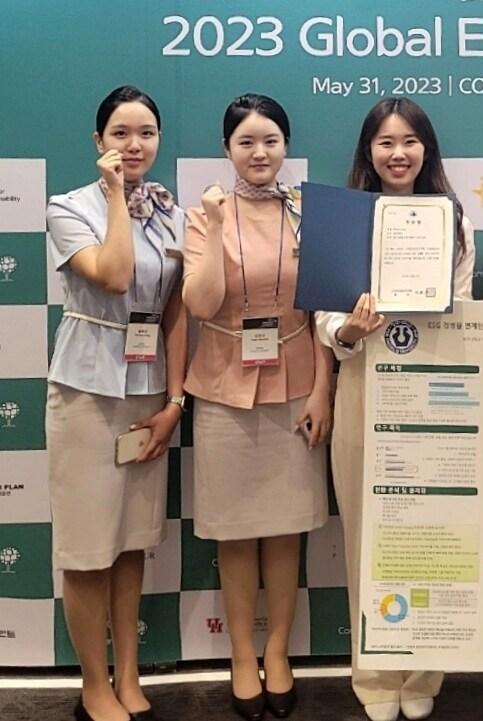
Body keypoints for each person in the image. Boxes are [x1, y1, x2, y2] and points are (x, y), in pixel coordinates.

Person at [313, 97, 476, 721]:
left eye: (409, 141)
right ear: (368, 151)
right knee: (368, 537)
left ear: (426, 149)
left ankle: (424, 670)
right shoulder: (343, 220)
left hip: (435, 391)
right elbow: (325, 318)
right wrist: (350, 331)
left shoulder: (454, 222)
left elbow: (460, 310)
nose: (398, 153)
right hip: (365, 386)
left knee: (430, 538)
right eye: (385, 142)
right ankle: (376, 676)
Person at [182, 94, 332, 721]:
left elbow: (323, 305)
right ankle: (242, 654)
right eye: (246, 141)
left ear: (286, 146)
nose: (259, 152)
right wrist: (219, 226)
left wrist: (322, 388)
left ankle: (278, 651)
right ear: (227, 149)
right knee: (236, 532)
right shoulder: (202, 216)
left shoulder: (307, 213)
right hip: (224, 386)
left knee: (287, 528)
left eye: (270, 140)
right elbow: (199, 304)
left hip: (297, 385)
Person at [46, 85, 187, 721]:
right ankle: (94, 685)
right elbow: (115, 274)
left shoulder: (170, 212)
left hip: (147, 391)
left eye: (146, 133)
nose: (135, 145)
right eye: (121, 133)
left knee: (130, 543)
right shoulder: (68, 207)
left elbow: (176, 310)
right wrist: (114, 197)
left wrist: (175, 399)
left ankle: (128, 676)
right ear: (98, 141)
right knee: (87, 547)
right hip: (86, 391)